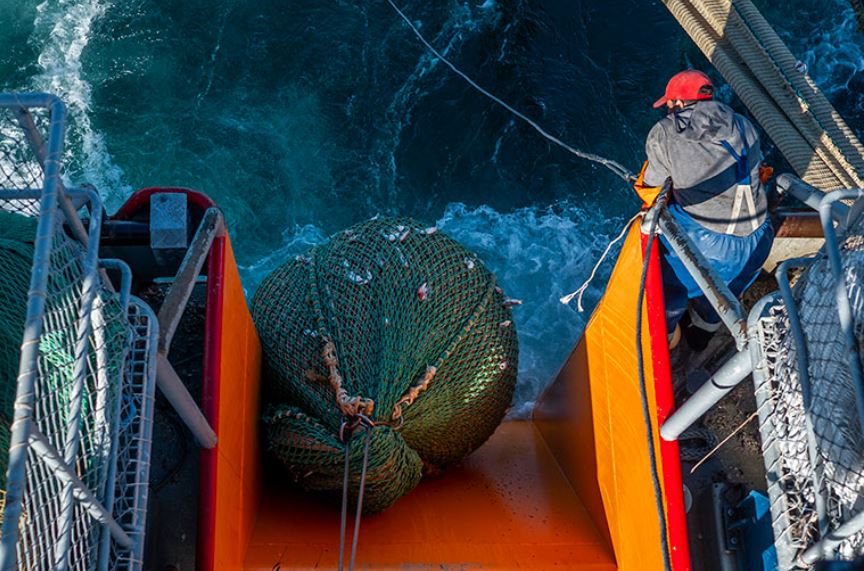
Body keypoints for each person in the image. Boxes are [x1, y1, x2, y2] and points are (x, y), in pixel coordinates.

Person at [633, 70, 775, 350]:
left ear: (676, 103)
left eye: (669, 105)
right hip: (760, 241)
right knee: (722, 299)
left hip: (711, 247)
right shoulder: (742, 123)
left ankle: (666, 339)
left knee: (661, 279)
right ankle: (701, 337)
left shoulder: (663, 134)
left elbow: (650, 191)